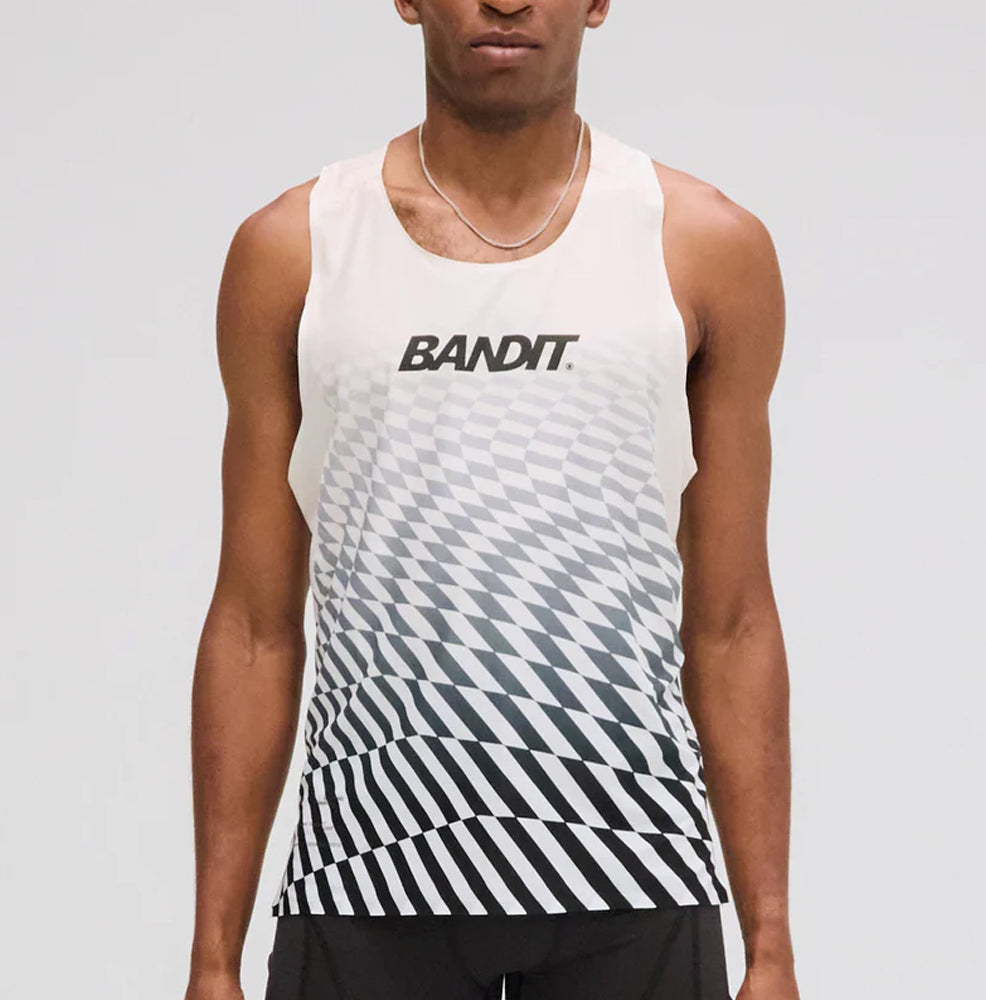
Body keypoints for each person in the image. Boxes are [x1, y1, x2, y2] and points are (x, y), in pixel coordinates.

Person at [185, 3, 797, 999]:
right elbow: (253, 624)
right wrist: (212, 957)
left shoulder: (700, 245)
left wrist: (771, 943)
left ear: (598, 2)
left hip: (632, 866)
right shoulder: (297, 249)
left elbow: (732, 622)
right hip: (369, 873)